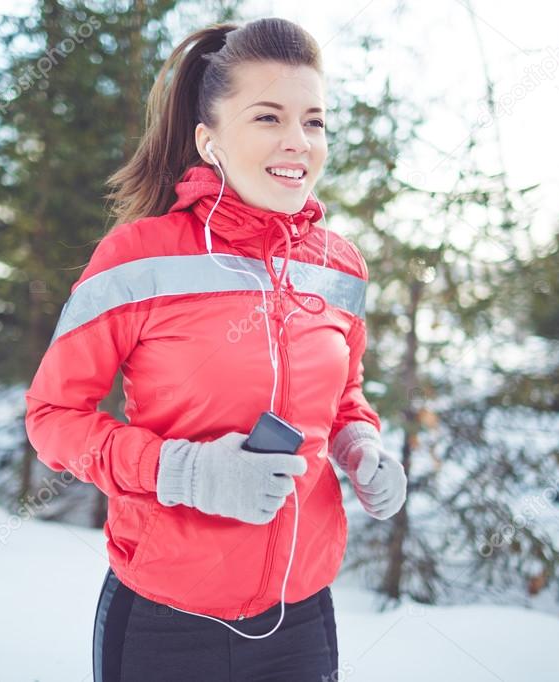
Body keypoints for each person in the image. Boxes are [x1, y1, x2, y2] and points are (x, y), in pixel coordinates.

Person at [24, 16, 408, 682]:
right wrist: (186, 473)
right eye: (268, 117)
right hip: (162, 621)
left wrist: (361, 447)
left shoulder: (340, 267)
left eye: (313, 121)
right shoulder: (137, 258)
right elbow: (53, 417)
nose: (298, 142)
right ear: (209, 141)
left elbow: (343, 396)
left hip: (302, 617)